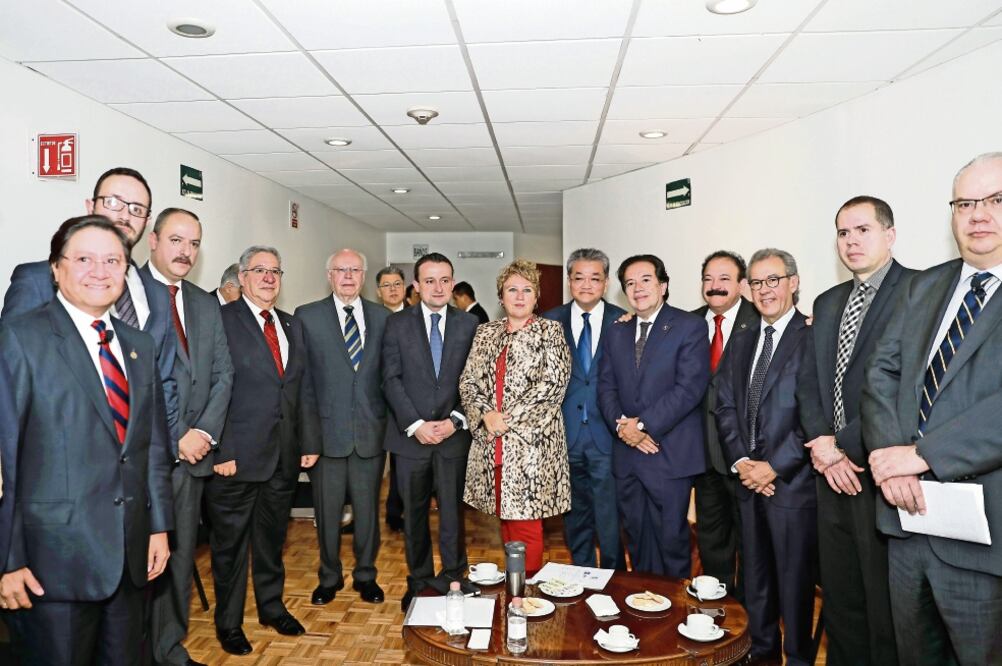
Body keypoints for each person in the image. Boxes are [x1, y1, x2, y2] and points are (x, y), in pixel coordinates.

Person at [0, 216, 172, 664]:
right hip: (51, 564)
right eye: (84, 259)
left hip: (130, 557)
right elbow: (6, 459)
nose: (100, 270)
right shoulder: (21, 339)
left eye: (113, 260)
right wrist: (7, 558)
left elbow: (151, 447)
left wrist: (158, 527)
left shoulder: (139, 344)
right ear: (56, 269)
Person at [862, 152, 1002, 666]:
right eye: (966, 203)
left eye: (996, 200)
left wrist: (921, 455)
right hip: (907, 524)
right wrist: (887, 457)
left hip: (986, 538)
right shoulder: (925, 286)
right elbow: (881, 375)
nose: (978, 215)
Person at [796, 196, 913, 666]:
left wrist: (841, 445)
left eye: (862, 230)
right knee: (841, 597)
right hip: (831, 475)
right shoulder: (827, 302)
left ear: (889, 234)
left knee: (885, 605)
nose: (851, 241)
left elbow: (907, 387)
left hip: (883, 474)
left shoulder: (919, 292)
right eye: (843, 233)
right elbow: (809, 383)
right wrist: (823, 446)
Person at [0, 168, 177, 428]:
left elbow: (163, 384)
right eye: (113, 202)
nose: (124, 215)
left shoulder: (159, 294)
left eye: (137, 209)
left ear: (146, 221)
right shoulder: (37, 280)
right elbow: (9, 383)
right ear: (89, 206)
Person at [205, 246, 312, 655]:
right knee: (230, 548)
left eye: (275, 271)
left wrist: (308, 444)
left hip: (282, 457)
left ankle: (271, 607)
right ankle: (228, 624)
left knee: (271, 541)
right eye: (259, 270)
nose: (268, 278)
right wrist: (222, 449)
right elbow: (213, 389)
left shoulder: (290, 324)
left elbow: (300, 388)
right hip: (236, 458)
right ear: (242, 277)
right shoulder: (221, 319)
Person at [143, 208, 234, 666]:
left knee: (178, 559)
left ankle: (169, 648)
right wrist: (176, 434)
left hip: (194, 456)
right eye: (176, 240)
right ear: (153, 241)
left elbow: (223, 372)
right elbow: (135, 381)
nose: (185, 251)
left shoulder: (203, 301)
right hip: (143, 458)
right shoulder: (126, 292)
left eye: (194, 243)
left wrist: (202, 433)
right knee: (138, 564)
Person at [716, 249, 815, 666]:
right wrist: (741, 462)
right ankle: (761, 654)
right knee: (753, 580)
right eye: (756, 283)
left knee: (793, 586)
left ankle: (796, 659)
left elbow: (818, 413)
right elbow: (723, 405)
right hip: (747, 481)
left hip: (790, 484)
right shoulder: (741, 339)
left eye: (773, 280)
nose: (765, 290)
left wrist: (773, 466)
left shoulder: (813, 335)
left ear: (793, 282)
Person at [597, 254, 709, 578]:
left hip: (668, 455)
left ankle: (674, 621)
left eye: (646, 279)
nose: (638, 288)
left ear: (663, 285)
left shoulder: (689, 326)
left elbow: (688, 389)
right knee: (636, 541)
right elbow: (606, 386)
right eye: (630, 283)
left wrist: (643, 427)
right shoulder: (616, 332)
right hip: (627, 456)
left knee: (672, 543)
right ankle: (644, 614)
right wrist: (623, 427)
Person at [459, 260, 570, 575]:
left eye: (527, 290)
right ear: (500, 296)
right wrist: (485, 415)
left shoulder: (550, 331)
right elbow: (468, 382)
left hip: (531, 448)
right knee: (506, 520)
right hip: (491, 445)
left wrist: (506, 419)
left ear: (536, 297)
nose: (519, 297)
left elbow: (552, 386)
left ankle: (528, 591)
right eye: (512, 290)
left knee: (526, 524)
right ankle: (514, 585)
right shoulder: (486, 332)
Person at [382, 253, 479, 611]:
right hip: (412, 439)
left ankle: (455, 576)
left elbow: (474, 381)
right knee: (415, 516)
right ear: (417, 286)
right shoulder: (396, 325)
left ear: (452, 284)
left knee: (453, 514)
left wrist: (454, 420)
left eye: (444, 280)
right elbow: (389, 379)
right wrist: (417, 425)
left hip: (454, 437)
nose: (438, 288)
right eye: (430, 281)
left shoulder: (470, 325)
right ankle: (420, 581)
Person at [297, 249, 388, 605]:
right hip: (326, 437)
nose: (348, 276)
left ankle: (367, 575)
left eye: (354, 270)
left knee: (367, 514)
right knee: (327, 512)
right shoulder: (307, 317)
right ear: (329, 275)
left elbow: (388, 378)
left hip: (370, 435)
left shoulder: (382, 318)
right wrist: (308, 439)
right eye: (340, 270)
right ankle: (329, 577)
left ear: (364, 276)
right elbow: (303, 385)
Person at [542, 248, 626, 569]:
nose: (587, 285)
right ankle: (582, 576)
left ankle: (614, 580)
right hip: (566, 434)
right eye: (579, 278)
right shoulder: (550, 322)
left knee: (609, 516)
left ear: (605, 283)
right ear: (569, 282)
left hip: (608, 434)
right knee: (575, 515)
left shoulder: (624, 321)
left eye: (596, 278)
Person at [692, 250, 757, 598]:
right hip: (703, 457)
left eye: (724, 279)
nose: (714, 287)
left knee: (751, 549)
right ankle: (717, 617)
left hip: (747, 458)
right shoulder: (686, 323)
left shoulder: (761, 321)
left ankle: (749, 624)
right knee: (712, 543)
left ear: (742, 285)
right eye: (708, 279)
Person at [375, 265, 407, 533]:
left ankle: (395, 513)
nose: (393, 289)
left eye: (397, 283)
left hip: (402, 404)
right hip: (372, 404)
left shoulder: (414, 318)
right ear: (378, 291)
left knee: (400, 464)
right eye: (387, 285)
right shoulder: (371, 319)